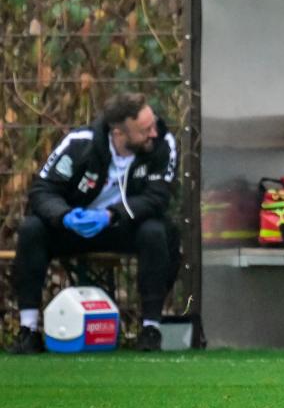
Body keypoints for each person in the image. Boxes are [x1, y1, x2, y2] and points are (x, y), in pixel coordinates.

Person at [9, 92, 180, 354]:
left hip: (123, 226)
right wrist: (64, 215)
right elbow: (42, 190)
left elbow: (157, 197)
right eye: (145, 130)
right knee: (32, 229)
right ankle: (28, 330)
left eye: (153, 124)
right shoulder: (80, 144)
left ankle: (150, 329)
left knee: (157, 232)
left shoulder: (162, 144)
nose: (154, 133)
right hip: (75, 227)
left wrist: (112, 215)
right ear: (119, 133)